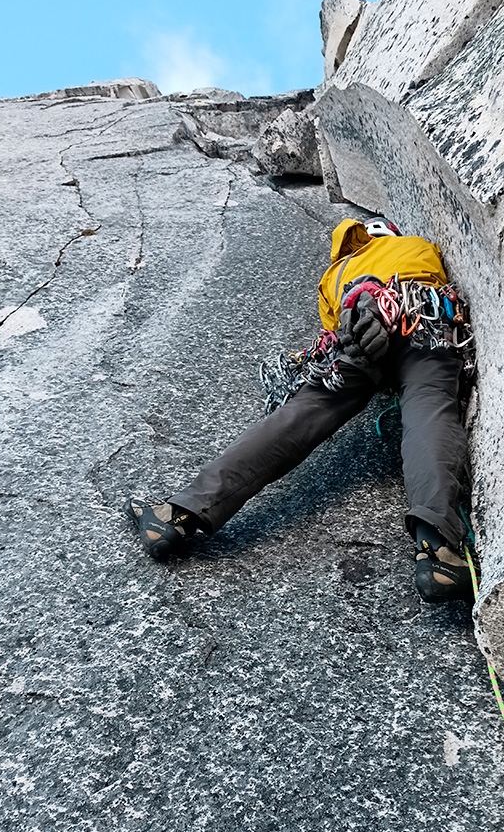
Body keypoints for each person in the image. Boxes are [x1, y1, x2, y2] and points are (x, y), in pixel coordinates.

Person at [126, 215, 473, 603]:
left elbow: (333, 330)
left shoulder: (333, 276)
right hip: (417, 313)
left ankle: (177, 515)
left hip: (353, 328)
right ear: (388, 233)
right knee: (428, 407)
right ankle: (437, 551)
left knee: (303, 412)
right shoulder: (414, 246)